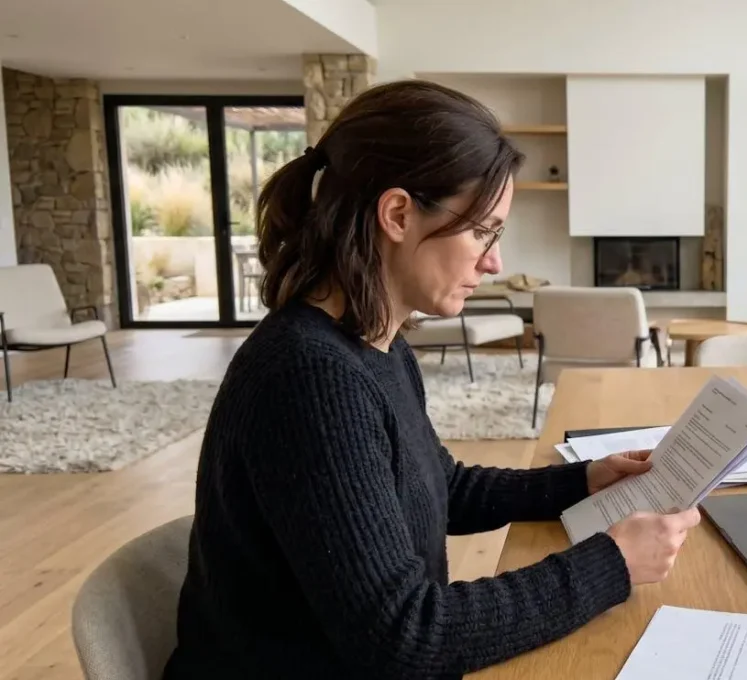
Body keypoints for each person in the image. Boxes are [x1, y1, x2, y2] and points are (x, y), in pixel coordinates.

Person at [163, 80, 702, 680]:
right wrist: (613, 564)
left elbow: (440, 486)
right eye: (483, 230)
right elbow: (406, 637)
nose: (494, 261)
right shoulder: (309, 378)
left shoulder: (375, 343)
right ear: (397, 214)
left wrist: (585, 479)